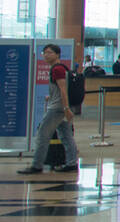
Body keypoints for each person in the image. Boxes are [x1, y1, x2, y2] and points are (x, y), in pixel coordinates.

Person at [18, 44, 79, 175]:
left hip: (57, 109)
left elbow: (63, 89)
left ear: (57, 54)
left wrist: (66, 108)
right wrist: (51, 97)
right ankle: (72, 163)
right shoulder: (62, 68)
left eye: (49, 52)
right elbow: (60, 89)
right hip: (61, 107)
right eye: (44, 53)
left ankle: (37, 165)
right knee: (66, 136)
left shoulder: (57, 69)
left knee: (42, 135)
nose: (46, 55)